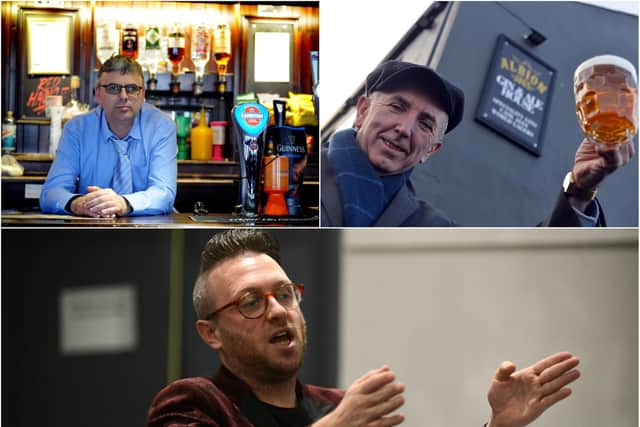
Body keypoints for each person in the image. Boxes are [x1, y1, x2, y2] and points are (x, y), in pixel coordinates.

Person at [147, 229, 581, 427]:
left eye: (284, 294)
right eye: (250, 302)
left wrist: (497, 426)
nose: (278, 311)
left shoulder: (338, 405)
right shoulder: (193, 402)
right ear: (211, 333)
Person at [321, 60, 634, 227]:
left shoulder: (433, 229)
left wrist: (579, 189)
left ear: (431, 151)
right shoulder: (290, 176)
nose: (404, 128)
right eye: (397, 106)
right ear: (362, 111)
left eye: (426, 123)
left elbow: (527, 266)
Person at [40, 55, 177, 217]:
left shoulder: (161, 126)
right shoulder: (77, 129)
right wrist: (77, 204)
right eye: (113, 88)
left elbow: (164, 193)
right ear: (98, 94)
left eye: (132, 88)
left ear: (142, 95)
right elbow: (51, 193)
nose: (124, 96)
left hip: (148, 231)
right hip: (91, 227)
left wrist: (123, 203)